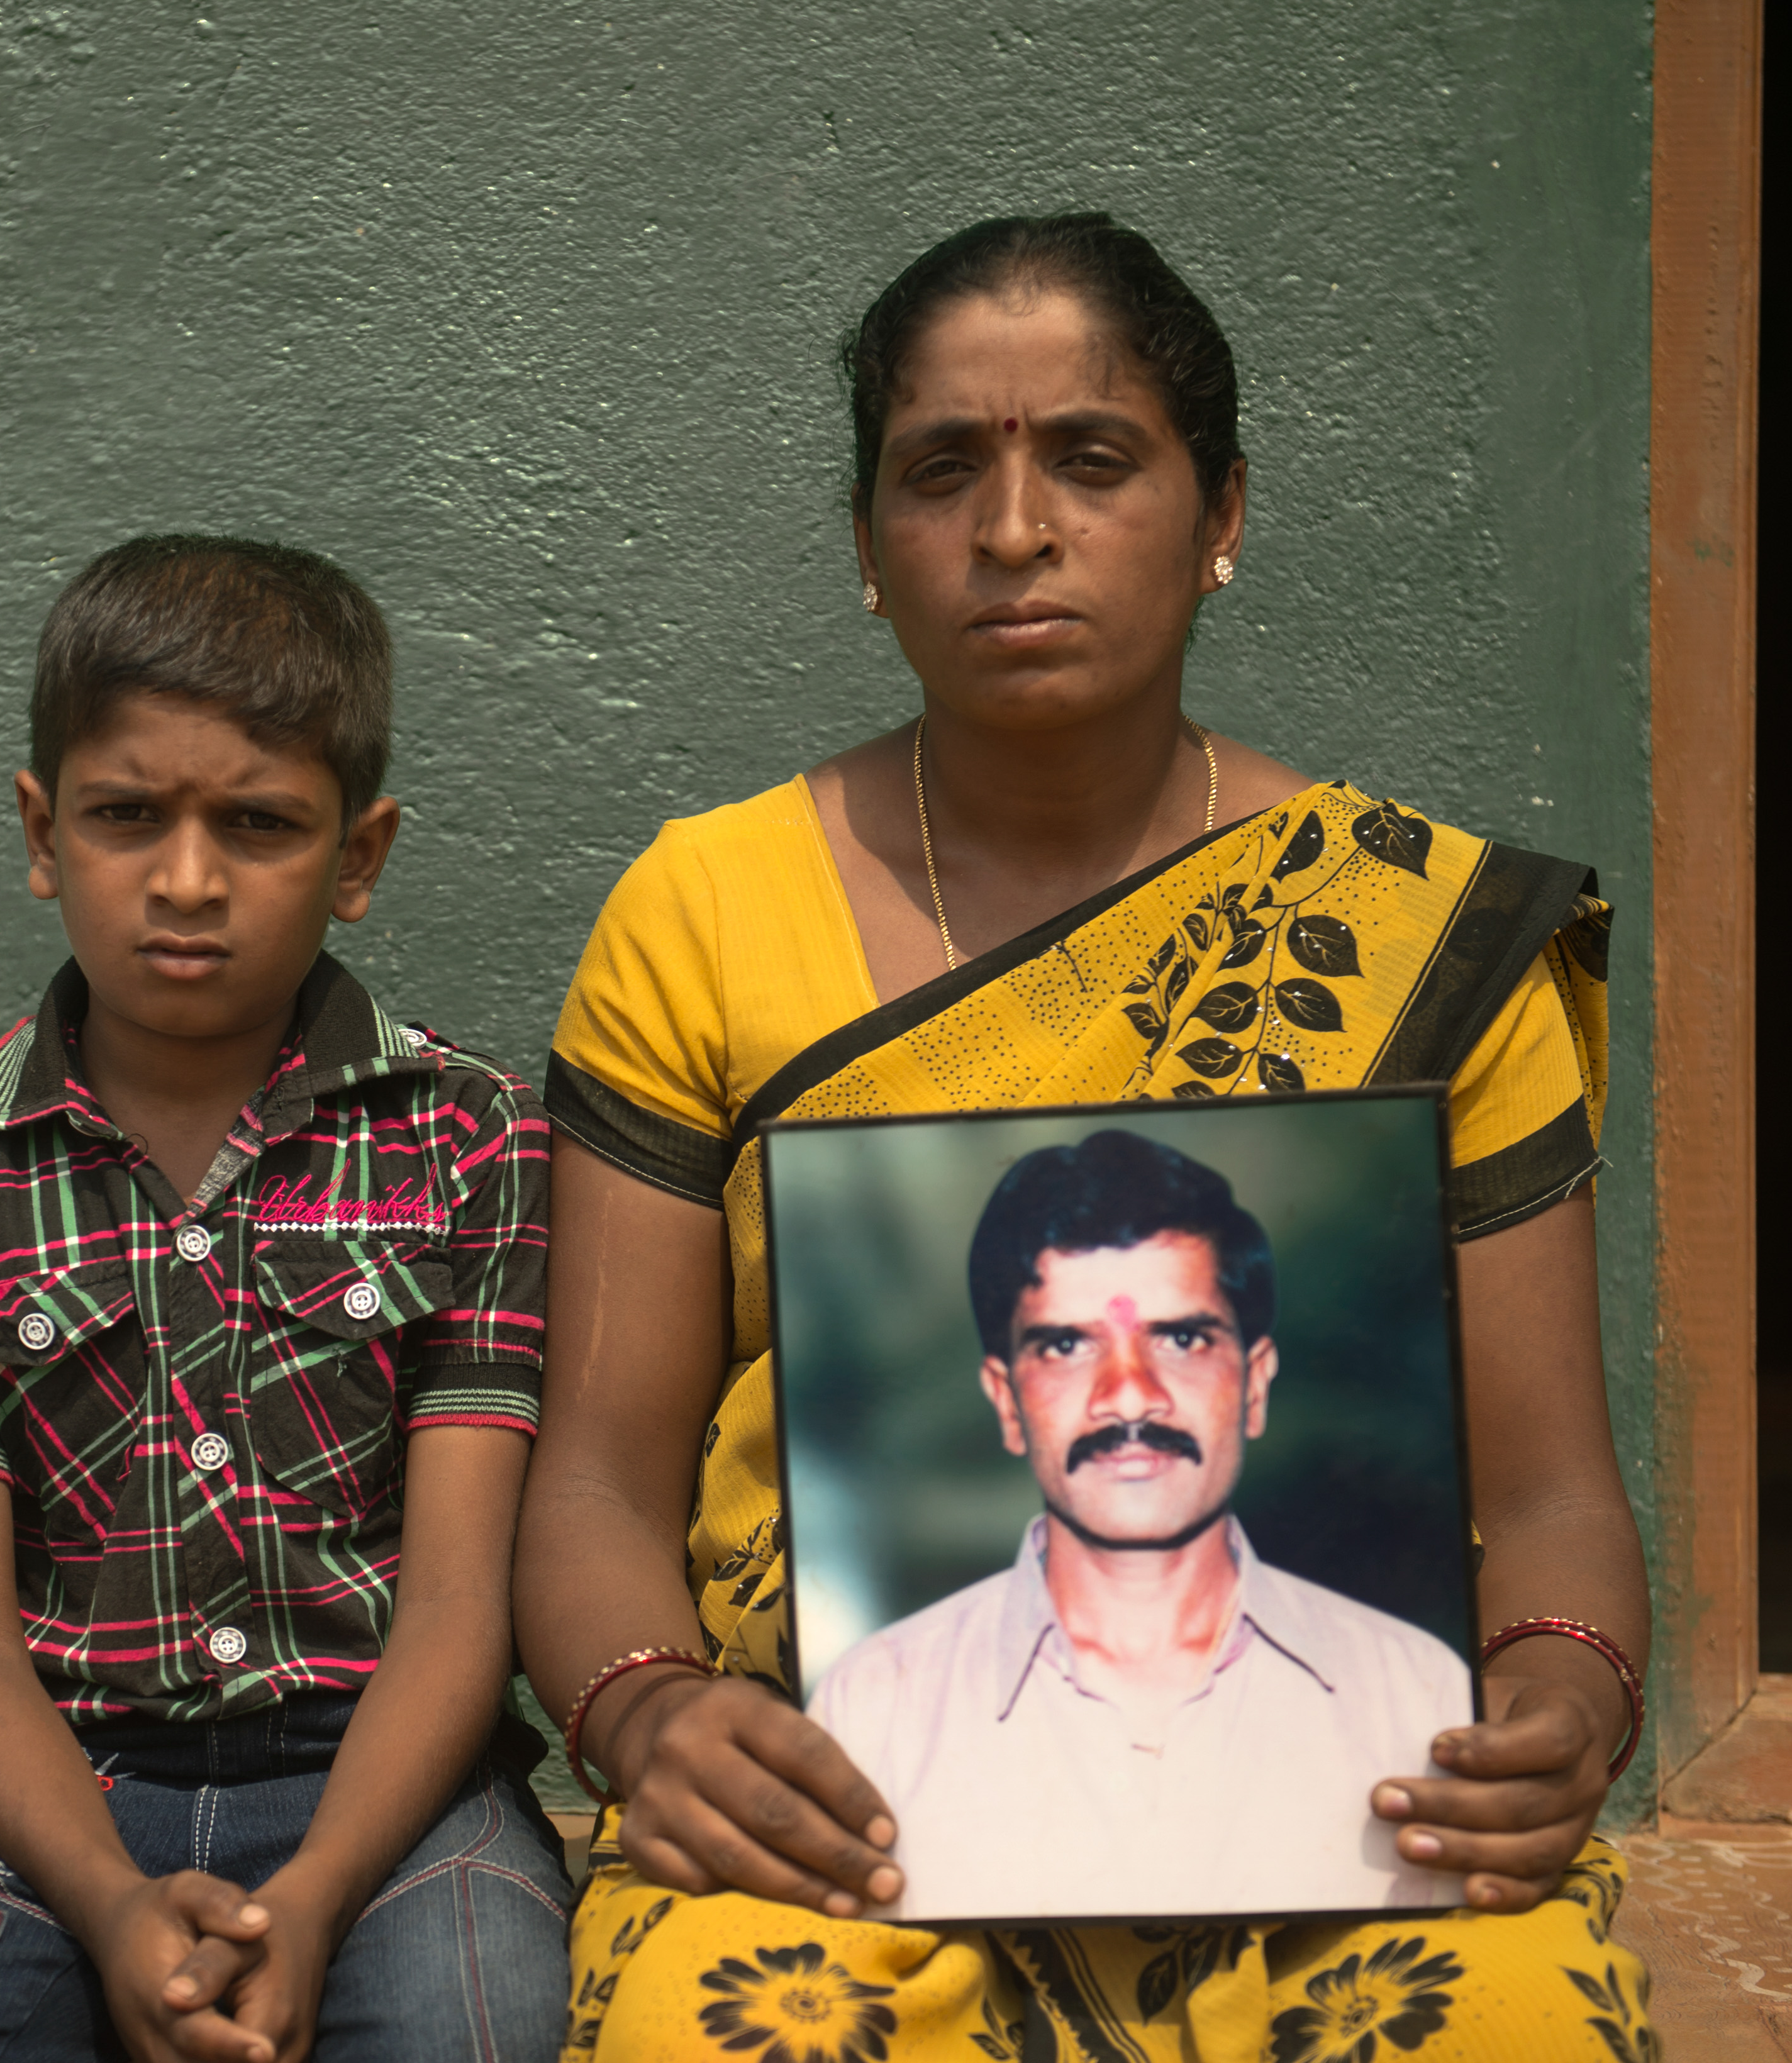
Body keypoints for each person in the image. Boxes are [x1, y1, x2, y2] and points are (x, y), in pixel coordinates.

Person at [515, 216, 1655, 2060]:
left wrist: (1558, 1698)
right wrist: (651, 1716)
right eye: (940, 469)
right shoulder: (703, 910)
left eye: (1093, 460)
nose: (1013, 529)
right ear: (866, 548)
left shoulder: (1425, 935)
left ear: (1219, 517)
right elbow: (594, 1483)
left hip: (1346, 1819)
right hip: (830, 1810)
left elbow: (1545, 1501)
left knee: (1515, 2016)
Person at [0, 537, 572, 2063]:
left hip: (391, 1795)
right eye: (129, 817)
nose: (187, 879)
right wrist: (111, 1901)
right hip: (62, 1799)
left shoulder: (472, 1137)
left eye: (259, 825)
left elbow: (461, 1601)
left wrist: (318, 1894)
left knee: (488, 2021)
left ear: (361, 854)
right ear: (43, 828)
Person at [804, 1128, 1474, 1921]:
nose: (1127, 1397)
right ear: (1003, 1401)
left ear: (1255, 1384)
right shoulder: (873, 1704)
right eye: (1064, 1347)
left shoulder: (1414, 1691)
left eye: (1182, 1339)